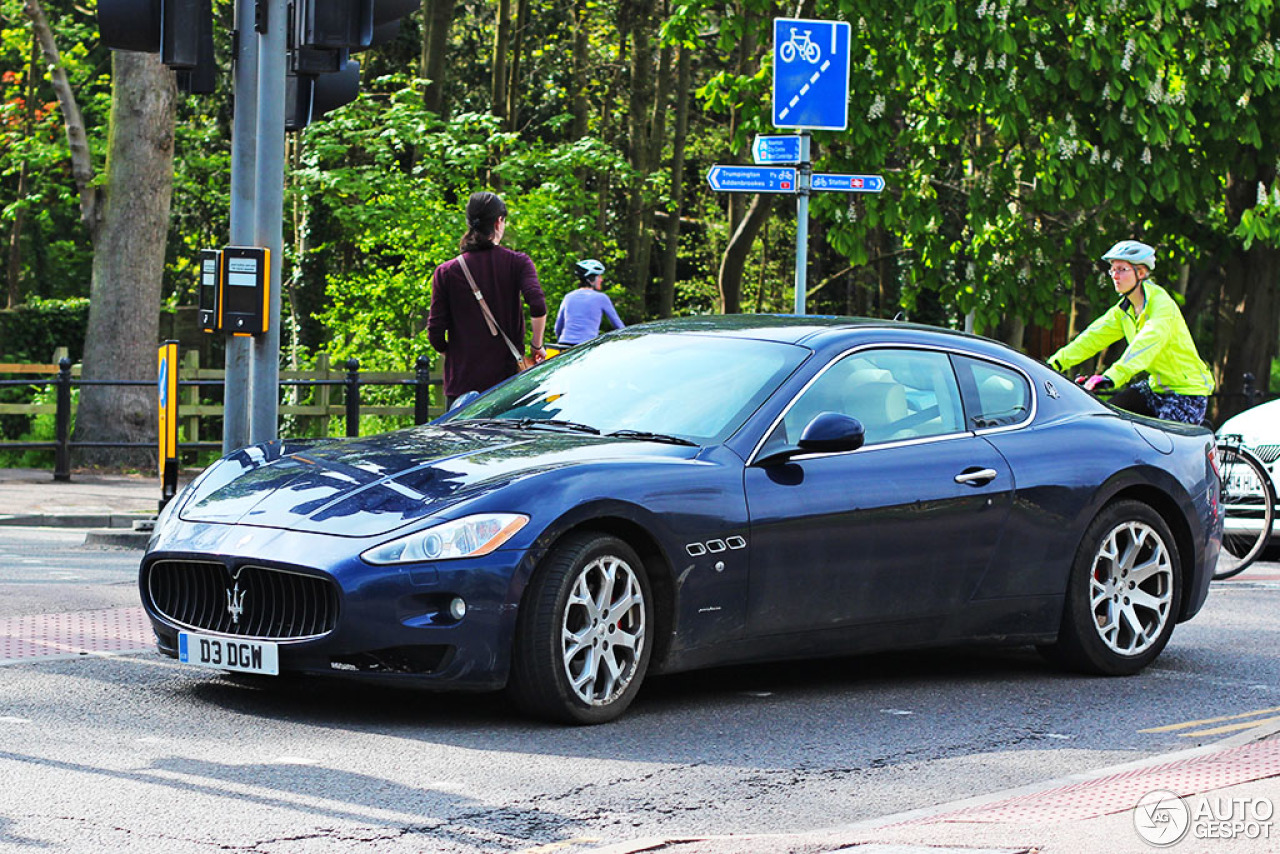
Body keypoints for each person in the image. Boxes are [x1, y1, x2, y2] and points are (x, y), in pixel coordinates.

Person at [1046, 239, 1213, 424]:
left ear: (1140, 273)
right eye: (1112, 269)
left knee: (1161, 447)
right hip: (1155, 390)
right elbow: (1091, 338)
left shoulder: (1162, 306)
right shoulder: (1125, 310)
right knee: (1107, 421)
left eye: (1122, 269)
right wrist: (1054, 364)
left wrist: (1111, 377)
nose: (1115, 276)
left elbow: (1145, 345)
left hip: (1187, 393)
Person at [427, 192, 548, 408]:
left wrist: (456, 354)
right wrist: (536, 345)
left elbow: (435, 333)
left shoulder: (446, 272)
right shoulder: (518, 263)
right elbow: (537, 305)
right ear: (498, 221)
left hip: (462, 386)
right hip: (507, 384)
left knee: (459, 441)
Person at [553, 259, 626, 346]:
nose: (601, 280)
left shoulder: (568, 297)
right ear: (591, 279)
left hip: (564, 345)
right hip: (586, 347)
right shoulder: (601, 298)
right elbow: (619, 326)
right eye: (599, 277)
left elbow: (558, 328)